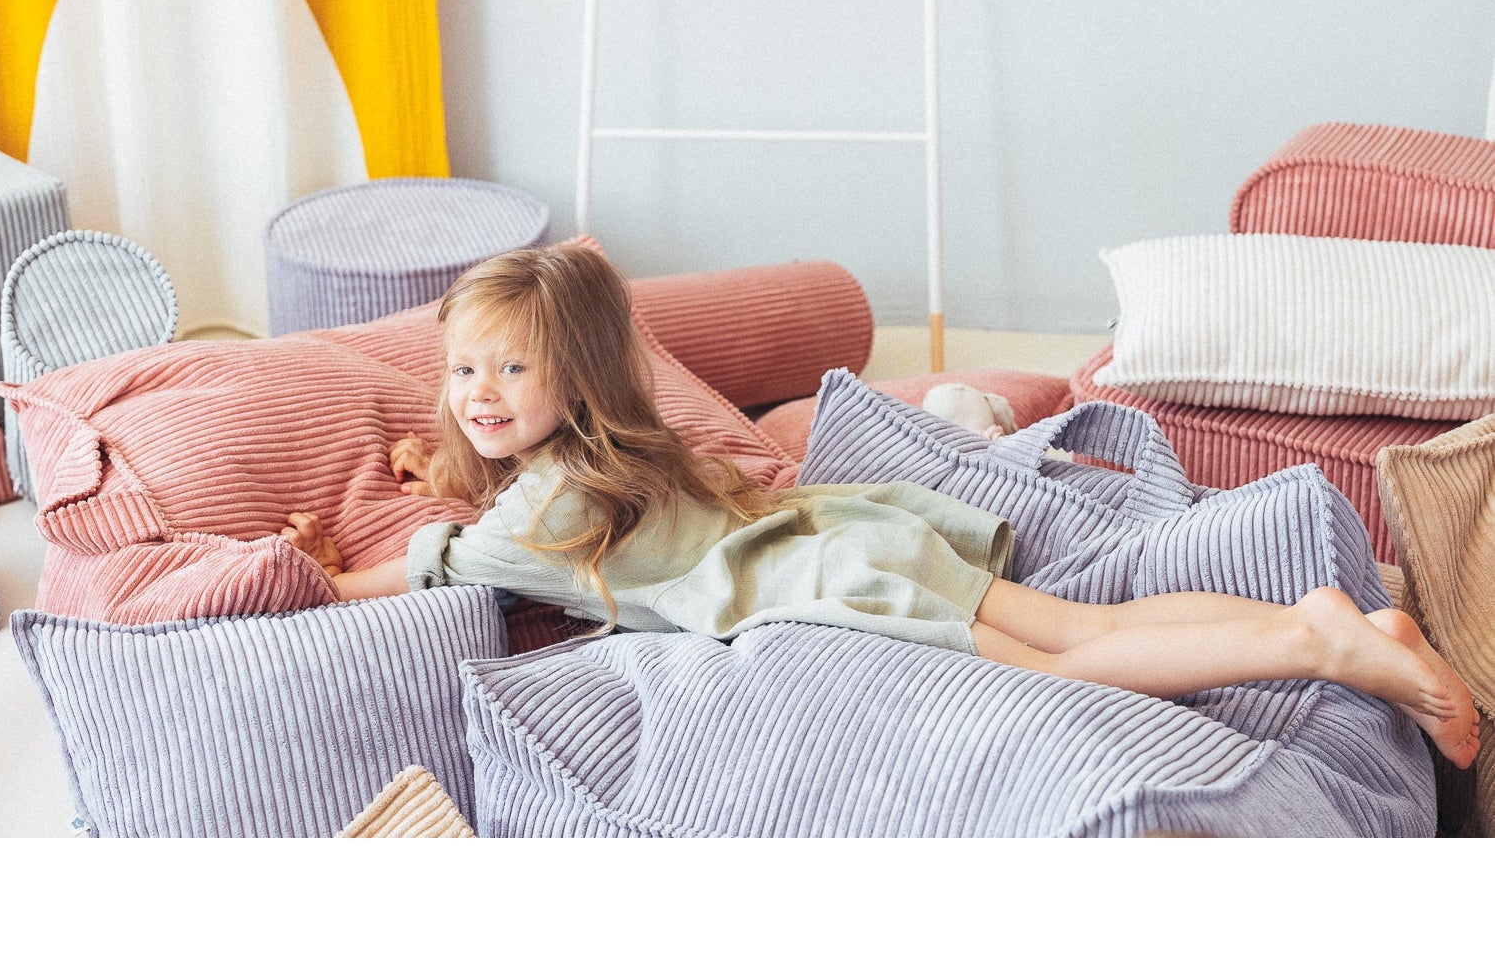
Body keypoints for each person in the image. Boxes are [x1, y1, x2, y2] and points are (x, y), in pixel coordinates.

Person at [281, 243, 1481, 771]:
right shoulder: (617, 456)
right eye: (463, 370)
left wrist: (325, 578)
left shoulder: (536, 517)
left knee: (1070, 668)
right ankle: (1322, 617)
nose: (479, 394)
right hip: (844, 532)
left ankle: (1318, 650)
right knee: (1084, 626)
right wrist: (447, 464)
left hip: (827, 586)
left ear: (577, 378)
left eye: (511, 370)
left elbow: (433, 567)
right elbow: (487, 500)